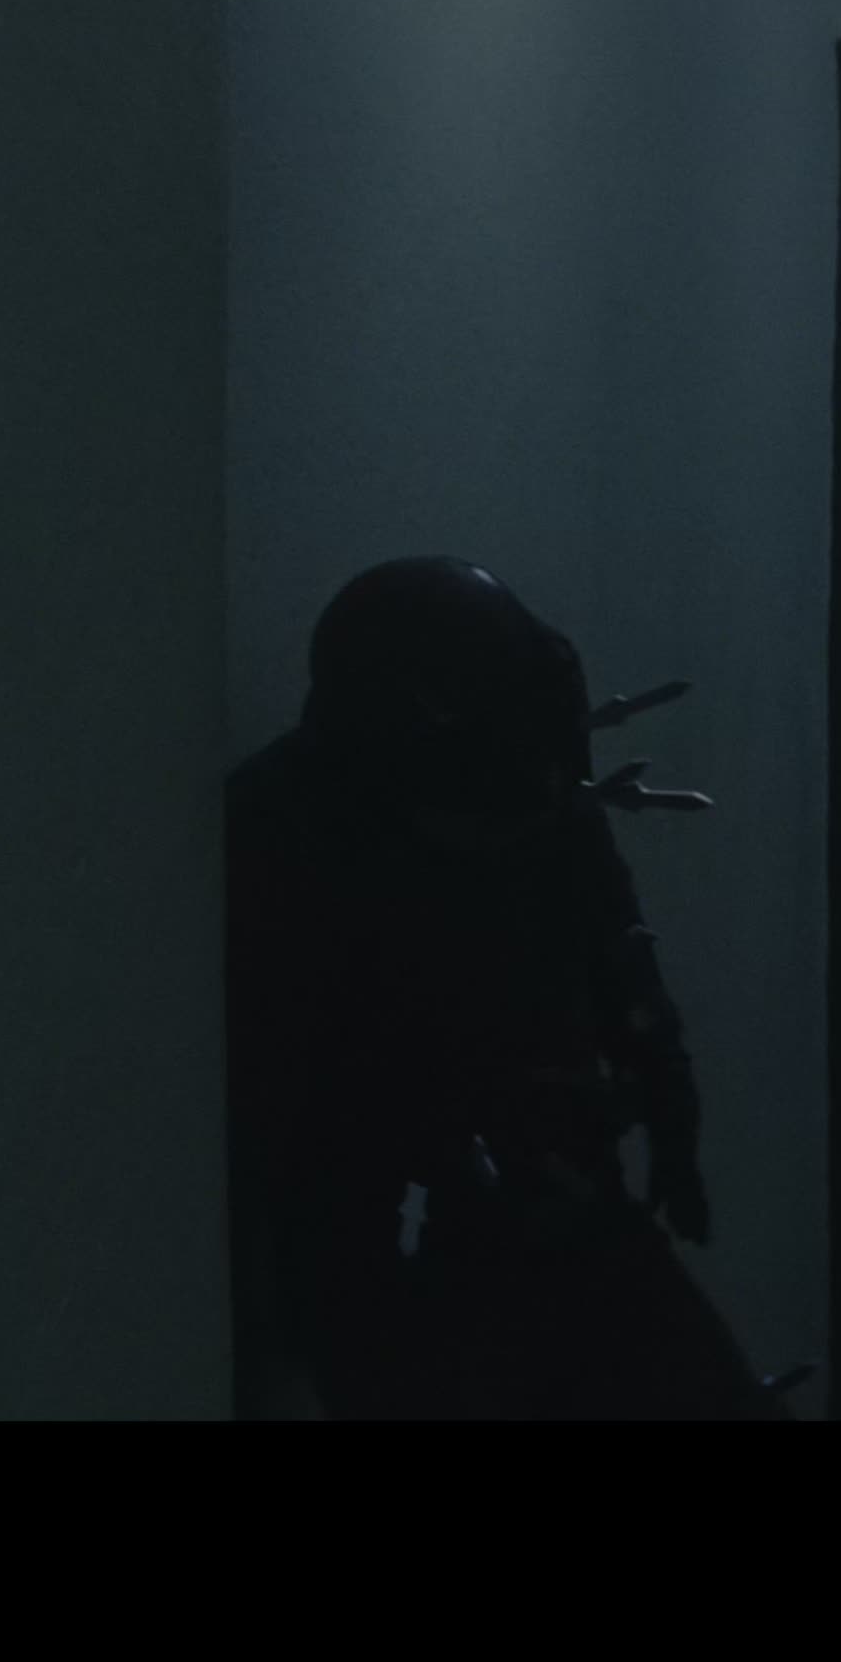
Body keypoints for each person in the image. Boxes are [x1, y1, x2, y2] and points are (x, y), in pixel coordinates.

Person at [225, 556, 786, 1419]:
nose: (513, 832)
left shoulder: (529, 780)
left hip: (555, 1203)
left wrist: (662, 1086)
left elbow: (615, 946)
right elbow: (281, 1136)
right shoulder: (286, 841)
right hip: (382, 1237)